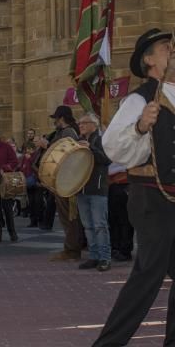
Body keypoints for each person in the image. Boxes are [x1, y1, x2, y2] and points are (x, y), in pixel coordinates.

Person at [93, 28, 175, 346]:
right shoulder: (139, 99)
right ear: (148, 60)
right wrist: (139, 127)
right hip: (153, 198)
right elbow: (112, 148)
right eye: (167, 46)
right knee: (148, 277)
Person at [41, 105, 84, 261]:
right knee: (68, 215)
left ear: (62, 118)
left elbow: (67, 154)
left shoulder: (68, 133)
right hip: (64, 180)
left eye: (56, 119)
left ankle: (72, 250)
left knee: (69, 216)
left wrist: (46, 146)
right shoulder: (63, 132)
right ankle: (73, 247)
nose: (55, 122)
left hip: (68, 180)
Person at [75, 112, 112, 272]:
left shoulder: (101, 139)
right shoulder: (78, 141)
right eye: (80, 123)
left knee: (99, 225)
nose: (80, 125)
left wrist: (91, 148)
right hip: (81, 188)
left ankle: (104, 258)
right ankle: (94, 256)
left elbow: (107, 159)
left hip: (97, 188)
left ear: (94, 124)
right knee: (88, 226)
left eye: (84, 123)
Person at [0, 125, 19, 242]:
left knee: (8, 209)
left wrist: (4, 168)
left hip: (5, 182)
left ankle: (13, 233)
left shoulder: (6, 147)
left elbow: (14, 161)